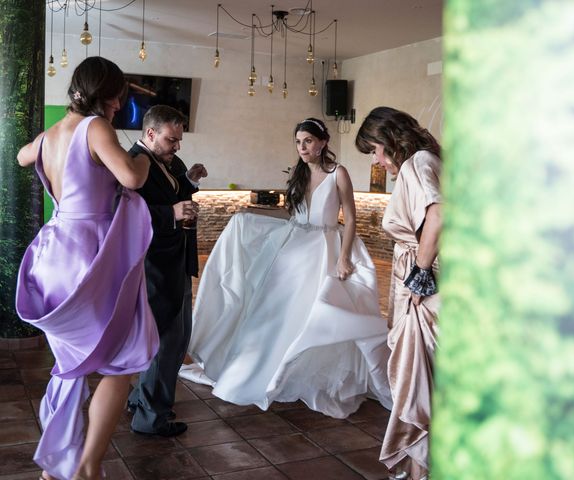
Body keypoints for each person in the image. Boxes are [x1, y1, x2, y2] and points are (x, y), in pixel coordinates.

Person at [181, 118, 392, 417]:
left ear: (323, 142)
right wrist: (250, 214)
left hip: (323, 247)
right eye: (298, 142)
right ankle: (258, 370)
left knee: (315, 312)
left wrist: (344, 257)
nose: (302, 147)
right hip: (293, 245)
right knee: (273, 309)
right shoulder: (299, 172)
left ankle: (301, 372)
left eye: (307, 141)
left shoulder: (338, 173)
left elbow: (352, 219)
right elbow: (292, 212)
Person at [15, 56, 159, 480]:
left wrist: (45, 146)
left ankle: (58, 460)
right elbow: (131, 179)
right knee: (123, 360)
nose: (120, 105)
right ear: (109, 93)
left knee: (71, 361)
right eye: (119, 97)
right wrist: (146, 157)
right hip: (91, 257)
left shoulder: (53, 133)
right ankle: (87, 465)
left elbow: (25, 156)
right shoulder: (96, 127)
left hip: (54, 253)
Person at [355, 106, 442, 480]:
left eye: (375, 149)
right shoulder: (430, 158)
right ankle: (420, 463)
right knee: (424, 374)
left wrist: (421, 275)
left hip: (428, 285)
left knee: (419, 374)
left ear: (390, 139)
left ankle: (421, 467)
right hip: (424, 277)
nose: (376, 160)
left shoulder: (417, 162)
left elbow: (439, 216)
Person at [127, 105, 208, 437]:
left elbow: (173, 195)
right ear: (150, 134)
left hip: (175, 258)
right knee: (168, 341)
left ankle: (139, 400)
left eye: (179, 139)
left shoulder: (166, 163)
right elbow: (129, 214)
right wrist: (170, 214)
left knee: (171, 337)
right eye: (172, 140)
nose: (177, 146)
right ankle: (151, 417)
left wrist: (189, 184)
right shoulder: (137, 163)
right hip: (156, 264)